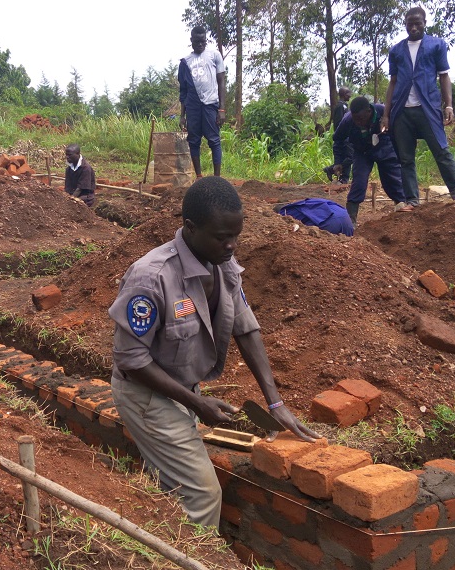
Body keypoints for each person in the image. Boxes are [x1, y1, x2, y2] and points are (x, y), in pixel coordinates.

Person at [109, 176, 319, 529]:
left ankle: (161, 533)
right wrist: (196, 404)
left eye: (236, 235)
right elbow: (132, 361)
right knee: (202, 494)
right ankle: (192, 556)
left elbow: (245, 327)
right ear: (190, 228)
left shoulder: (223, 266)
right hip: (147, 397)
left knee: (175, 485)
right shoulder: (151, 278)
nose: (231, 245)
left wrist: (275, 403)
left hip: (182, 392)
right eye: (222, 237)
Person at [382, 7, 455, 209]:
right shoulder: (396, 50)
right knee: (406, 158)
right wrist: (386, 114)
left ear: (425, 22)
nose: (414, 27)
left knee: (442, 151)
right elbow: (393, 82)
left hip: (428, 109)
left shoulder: (437, 45)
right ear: (405, 24)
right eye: (410, 23)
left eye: (418, 23)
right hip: (402, 112)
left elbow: (444, 75)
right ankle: (412, 201)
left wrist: (449, 105)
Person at [330, 96, 407, 225]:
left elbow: (399, 132)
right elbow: (338, 140)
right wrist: (338, 161)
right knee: (359, 181)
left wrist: (400, 153)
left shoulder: (383, 112)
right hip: (362, 152)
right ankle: (351, 220)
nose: (358, 122)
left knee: (393, 179)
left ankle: (402, 209)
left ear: (369, 112)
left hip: (384, 147)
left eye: (360, 118)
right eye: (355, 119)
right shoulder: (348, 120)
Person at [179, 26, 227, 178]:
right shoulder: (185, 62)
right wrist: (182, 115)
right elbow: (183, 91)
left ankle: (217, 178)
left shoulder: (214, 55)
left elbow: (221, 83)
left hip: (210, 104)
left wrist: (222, 109)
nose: (200, 44)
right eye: (197, 41)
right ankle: (199, 177)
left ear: (206, 41)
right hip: (192, 107)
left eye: (203, 41)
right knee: (194, 141)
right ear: (191, 41)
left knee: (214, 140)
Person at [330, 87, 354, 184]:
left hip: (347, 137)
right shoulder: (340, 106)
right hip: (343, 137)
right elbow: (340, 123)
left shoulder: (344, 106)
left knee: (347, 156)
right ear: (344, 94)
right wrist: (342, 136)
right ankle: (334, 171)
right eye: (348, 93)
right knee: (350, 156)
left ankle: (343, 178)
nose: (350, 95)